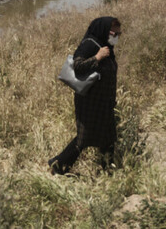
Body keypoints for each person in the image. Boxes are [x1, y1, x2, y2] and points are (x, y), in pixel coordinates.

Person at [49, 16, 121, 175]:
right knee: (84, 139)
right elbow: (77, 66)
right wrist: (97, 57)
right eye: (113, 33)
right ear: (103, 30)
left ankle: (108, 171)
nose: (115, 37)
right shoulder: (90, 44)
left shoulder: (106, 46)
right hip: (89, 102)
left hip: (104, 102)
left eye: (118, 34)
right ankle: (58, 166)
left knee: (108, 137)